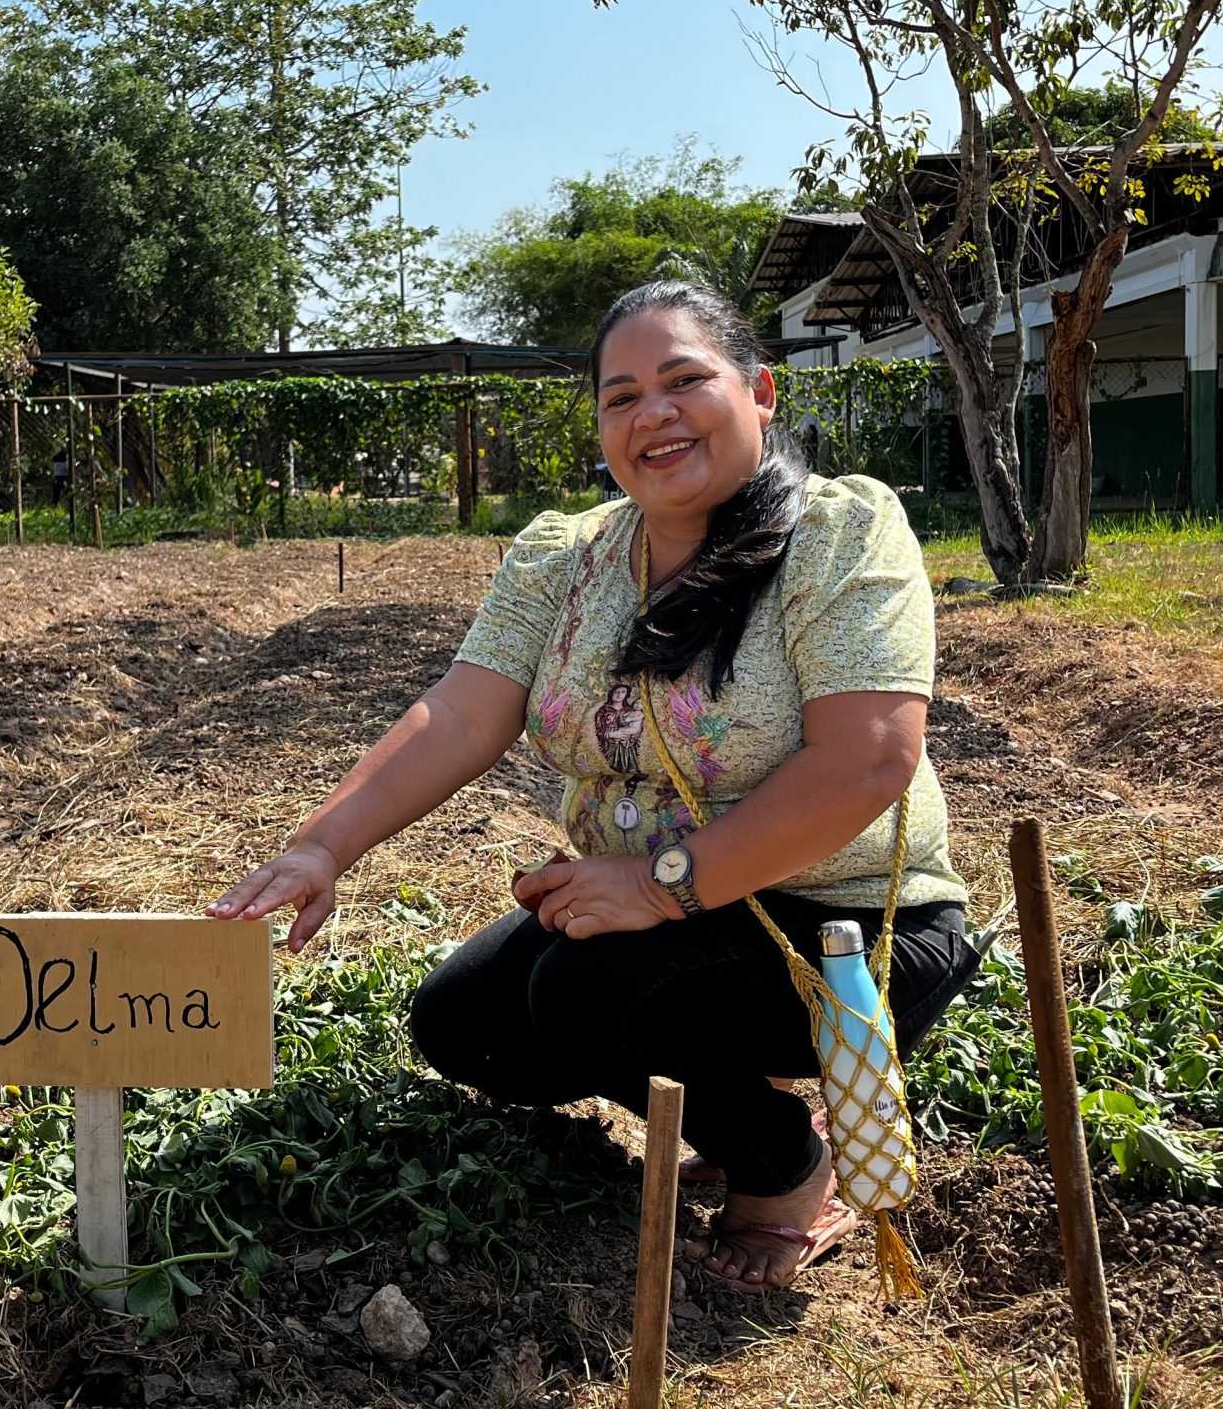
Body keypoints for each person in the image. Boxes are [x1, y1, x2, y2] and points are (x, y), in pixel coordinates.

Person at [208, 279, 977, 1292]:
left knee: (583, 993)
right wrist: (322, 846)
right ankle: (741, 1100)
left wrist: (660, 885)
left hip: (841, 929)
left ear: (759, 393)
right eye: (619, 397)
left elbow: (866, 759)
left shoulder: (839, 533)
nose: (650, 414)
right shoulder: (565, 556)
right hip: (668, 906)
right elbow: (463, 710)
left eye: (682, 381)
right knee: (461, 1023)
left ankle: (786, 1164)